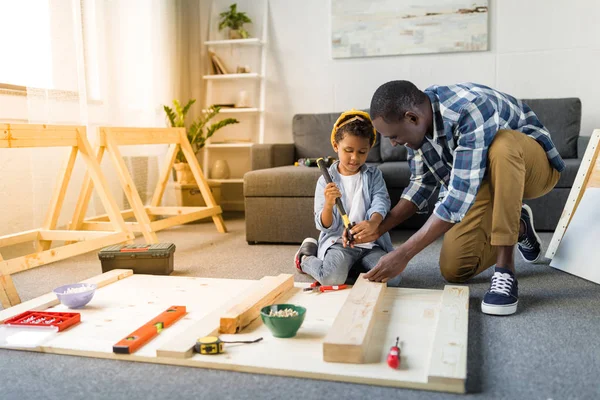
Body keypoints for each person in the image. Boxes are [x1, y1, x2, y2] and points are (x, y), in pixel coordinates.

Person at [354, 81, 564, 316]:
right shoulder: (417, 129)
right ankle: (519, 226)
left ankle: (505, 270)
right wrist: (378, 228)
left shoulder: (470, 108)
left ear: (412, 118)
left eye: (394, 136)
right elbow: (421, 185)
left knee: (502, 146)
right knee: (455, 269)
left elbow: (458, 195)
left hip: (534, 170)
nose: (393, 143)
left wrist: (404, 253)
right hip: (482, 181)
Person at [294, 109, 400, 287]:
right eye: (348, 150)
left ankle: (352, 268)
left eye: (362, 152)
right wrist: (328, 205)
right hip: (339, 243)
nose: (354, 158)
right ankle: (305, 258)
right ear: (336, 146)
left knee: (393, 279)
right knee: (330, 279)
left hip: (371, 245)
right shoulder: (325, 180)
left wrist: (373, 223)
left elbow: (381, 202)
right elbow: (324, 225)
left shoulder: (374, 175)